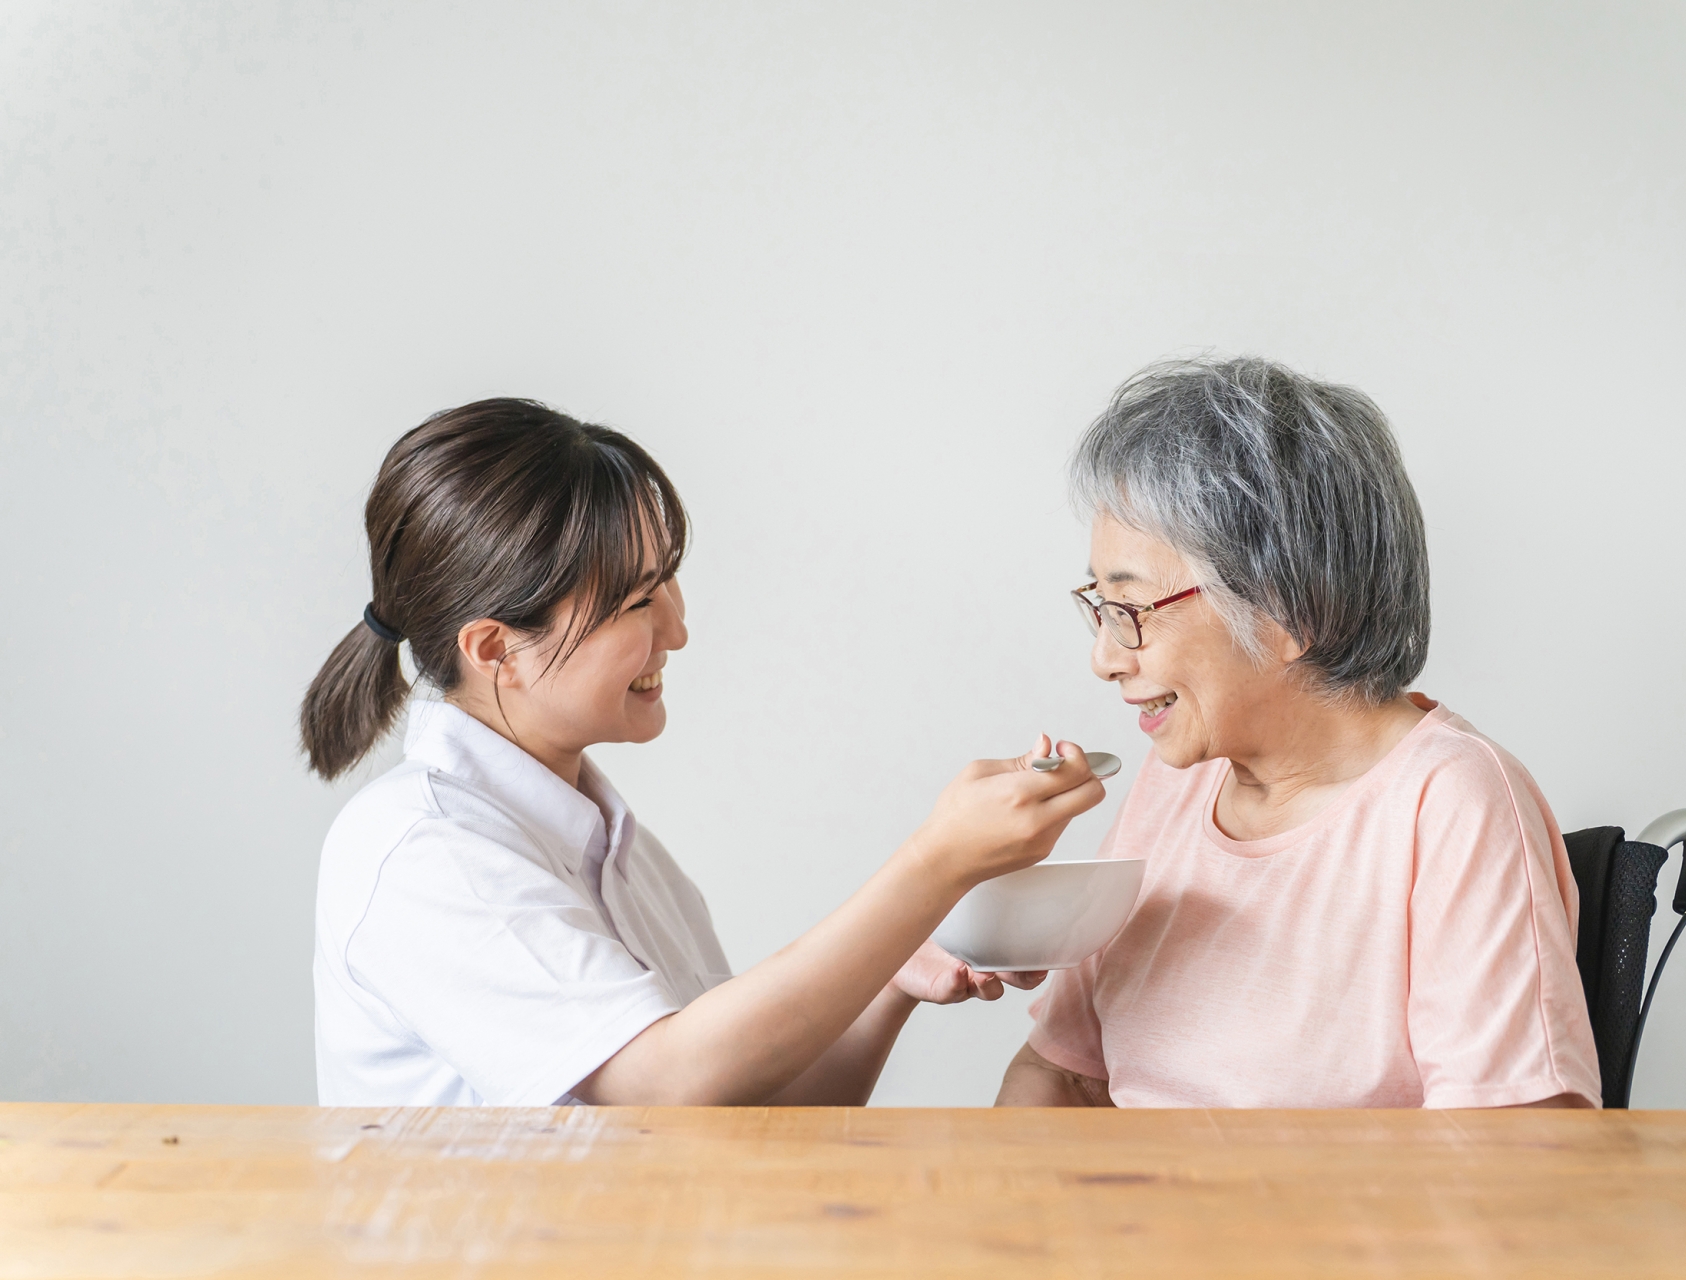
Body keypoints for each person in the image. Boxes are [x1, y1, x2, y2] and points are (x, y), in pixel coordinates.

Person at [303, 399, 1106, 1107]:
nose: (678, 631)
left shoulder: (617, 852)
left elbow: (744, 1109)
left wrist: (895, 972)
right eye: (638, 600)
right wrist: (938, 862)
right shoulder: (423, 853)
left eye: (670, 582)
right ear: (495, 648)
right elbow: (666, 1085)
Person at [996, 357, 1602, 1110]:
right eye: (1100, 607)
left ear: (1289, 610)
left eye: (1133, 610)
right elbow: (1061, 1071)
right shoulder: (1173, 782)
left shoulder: (1451, 804)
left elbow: (1518, 1149)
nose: (1105, 659)